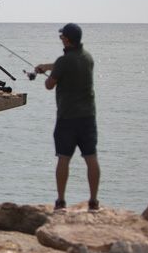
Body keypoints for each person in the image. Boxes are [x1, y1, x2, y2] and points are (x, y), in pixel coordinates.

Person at [34, 23, 100, 211]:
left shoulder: (63, 62)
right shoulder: (88, 58)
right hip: (88, 117)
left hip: (67, 118)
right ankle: (94, 201)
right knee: (91, 157)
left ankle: (61, 201)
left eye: (62, 36)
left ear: (68, 39)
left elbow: (49, 84)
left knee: (63, 158)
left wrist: (48, 74)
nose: (61, 39)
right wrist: (48, 66)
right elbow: (69, 64)